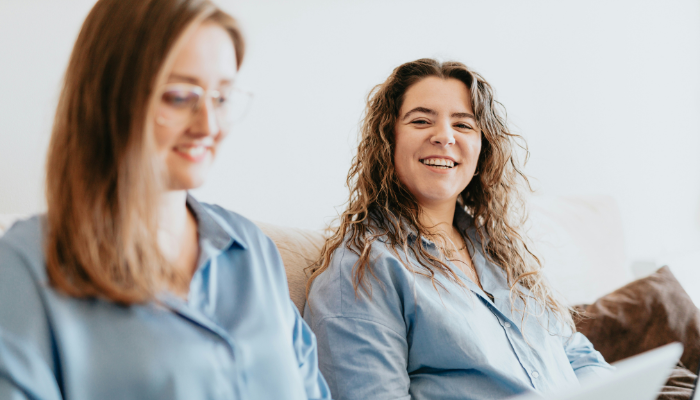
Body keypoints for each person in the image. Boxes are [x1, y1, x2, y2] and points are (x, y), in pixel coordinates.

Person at [0, 0, 330, 399]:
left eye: (221, 97)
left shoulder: (252, 248)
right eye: (179, 96)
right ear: (109, 97)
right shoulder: (26, 266)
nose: (208, 125)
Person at [304, 58, 613, 400]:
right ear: (388, 139)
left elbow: (578, 357)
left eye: (464, 125)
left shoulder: (500, 253)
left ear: (483, 148)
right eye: (421, 120)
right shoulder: (361, 271)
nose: (444, 137)